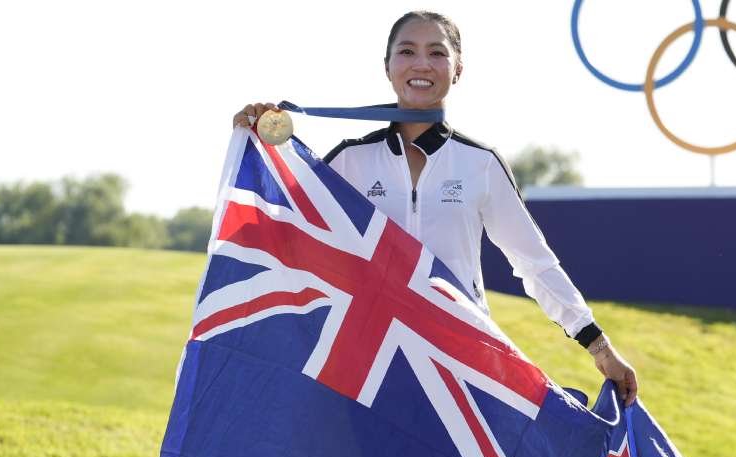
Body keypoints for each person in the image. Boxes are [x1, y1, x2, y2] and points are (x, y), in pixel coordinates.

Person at [232, 11, 638, 404]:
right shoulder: (349, 161)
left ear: (458, 68)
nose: (421, 63)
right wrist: (256, 142)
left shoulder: (480, 164)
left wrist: (598, 346)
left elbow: (534, 263)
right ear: (387, 66)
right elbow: (281, 231)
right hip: (370, 364)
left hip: (460, 364)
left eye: (437, 52)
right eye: (407, 51)